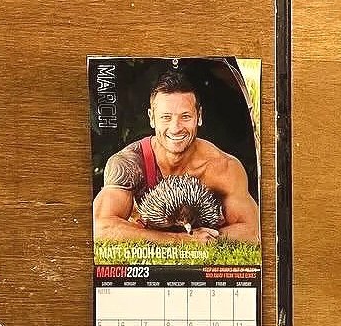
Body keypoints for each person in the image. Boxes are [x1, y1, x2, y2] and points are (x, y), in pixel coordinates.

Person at [93, 71, 259, 244]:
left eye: (185, 117)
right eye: (166, 117)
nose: (175, 128)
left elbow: (253, 231)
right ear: (152, 118)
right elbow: (100, 227)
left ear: (199, 117)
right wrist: (182, 240)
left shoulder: (223, 167)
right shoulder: (130, 164)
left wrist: (210, 239)